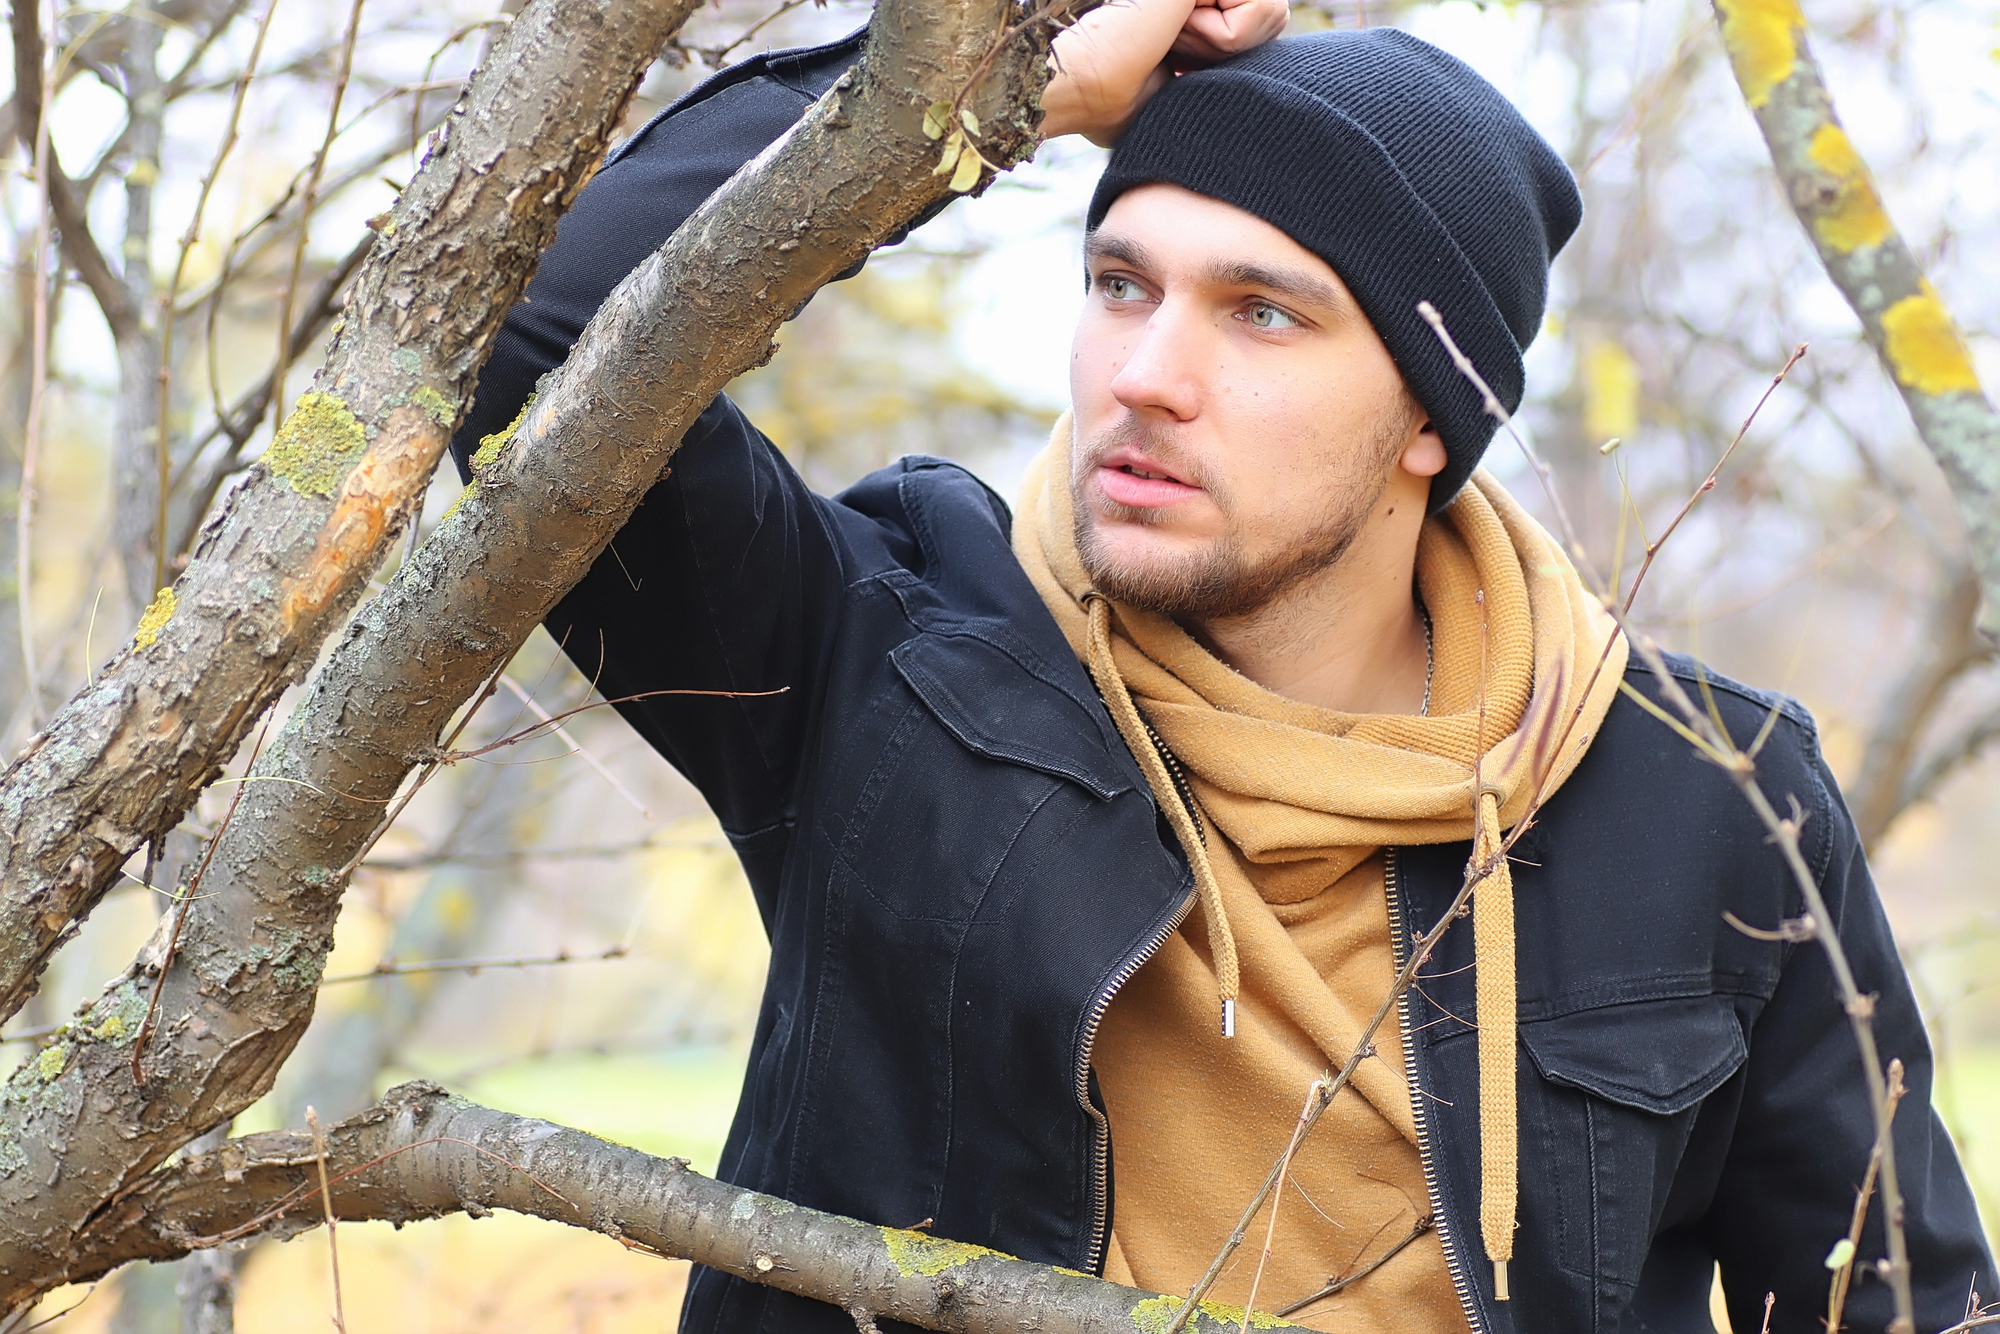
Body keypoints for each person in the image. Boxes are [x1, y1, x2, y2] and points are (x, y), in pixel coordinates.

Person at [450, 3, 1993, 1331]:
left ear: (1429, 423)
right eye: (1121, 283)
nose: (1144, 375)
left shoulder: (1704, 796)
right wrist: (1014, 80)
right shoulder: (893, 673)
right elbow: (528, 340)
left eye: (1262, 313)